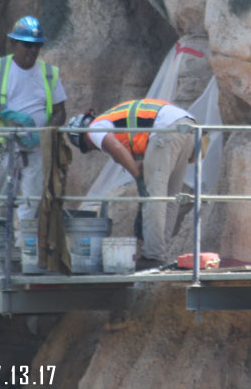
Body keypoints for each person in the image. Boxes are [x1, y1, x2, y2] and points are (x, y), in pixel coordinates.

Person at [68, 99, 195, 269]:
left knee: (153, 196)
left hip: (166, 129)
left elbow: (117, 149)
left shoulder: (94, 129)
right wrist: (141, 175)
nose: (94, 149)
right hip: (187, 127)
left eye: (88, 146)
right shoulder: (114, 122)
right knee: (171, 197)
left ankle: (153, 256)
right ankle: (160, 251)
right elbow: (142, 158)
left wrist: (139, 180)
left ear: (83, 135)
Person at [0, 16, 66, 222]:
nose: (32, 50)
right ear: (14, 44)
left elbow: (60, 111)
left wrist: (43, 133)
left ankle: (26, 249)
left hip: (36, 149)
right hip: (4, 146)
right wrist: (9, 115)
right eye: (27, 45)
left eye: (37, 46)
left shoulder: (49, 73)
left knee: (32, 205)